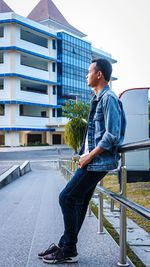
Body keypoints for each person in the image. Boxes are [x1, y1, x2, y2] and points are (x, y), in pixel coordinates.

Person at [38, 58, 126, 264]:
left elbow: (112, 135)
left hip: (98, 162)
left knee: (66, 197)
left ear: (99, 74)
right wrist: (83, 153)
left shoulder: (109, 98)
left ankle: (68, 247)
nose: (86, 75)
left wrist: (90, 155)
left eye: (89, 71)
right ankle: (66, 246)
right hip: (91, 161)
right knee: (78, 201)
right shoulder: (97, 99)